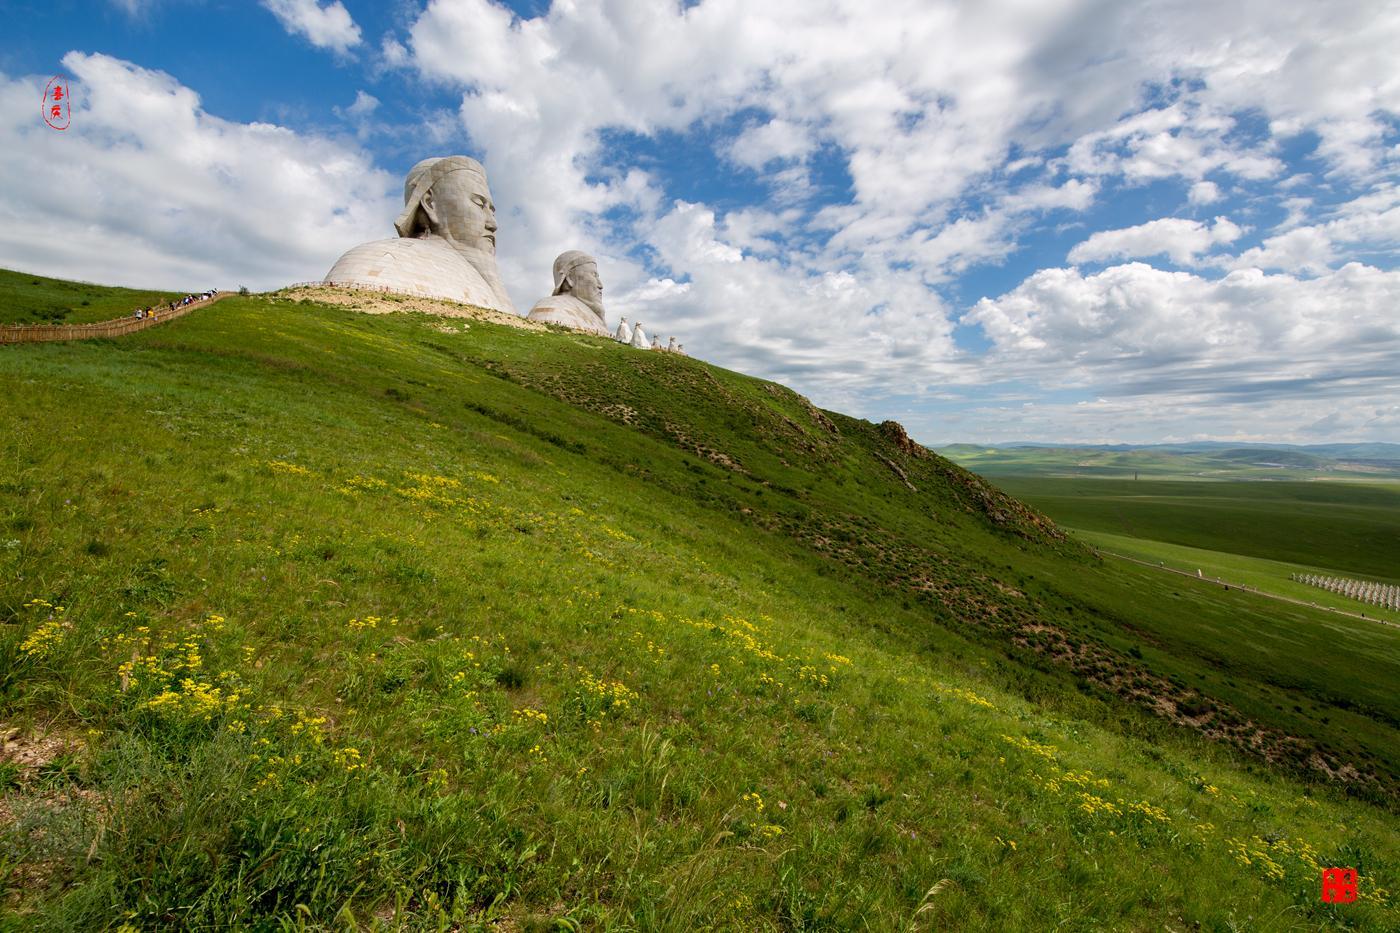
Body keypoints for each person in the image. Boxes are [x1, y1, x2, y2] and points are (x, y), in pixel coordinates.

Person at [323, 156, 515, 313]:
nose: (493, 224)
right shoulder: (383, 260)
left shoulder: (478, 278)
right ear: (431, 203)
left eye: (492, 210)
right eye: (479, 204)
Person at [526, 250, 610, 335]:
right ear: (570, 278)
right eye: (594, 275)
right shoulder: (554, 307)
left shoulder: (593, 315)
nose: (600, 285)